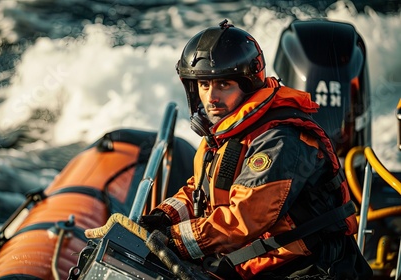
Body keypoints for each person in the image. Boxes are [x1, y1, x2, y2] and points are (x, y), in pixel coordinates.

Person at [139, 20, 373, 280]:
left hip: (307, 268)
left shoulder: (279, 140)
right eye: (204, 85)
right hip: (257, 262)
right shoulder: (223, 132)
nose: (211, 97)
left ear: (248, 84)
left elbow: (244, 217)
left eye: (223, 85)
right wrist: (163, 217)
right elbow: (201, 191)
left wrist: (175, 240)